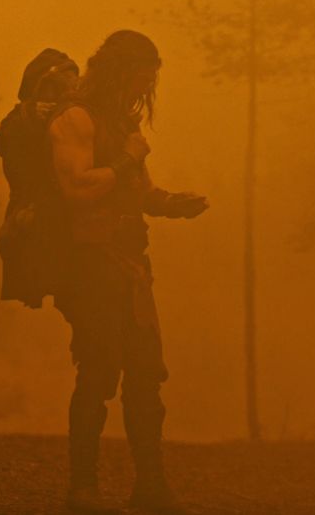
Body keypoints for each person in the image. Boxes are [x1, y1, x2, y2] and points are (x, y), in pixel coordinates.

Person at [48, 30, 208, 514]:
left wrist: (171, 204)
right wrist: (126, 159)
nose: (144, 92)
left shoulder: (119, 124)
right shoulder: (75, 119)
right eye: (140, 80)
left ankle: (151, 487)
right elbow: (76, 190)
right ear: (120, 73)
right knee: (97, 374)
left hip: (131, 267)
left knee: (144, 376)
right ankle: (83, 489)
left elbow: (134, 192)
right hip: (90, 268)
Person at [0, 49, 79, 308]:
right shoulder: (17, 123)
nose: (57, 98)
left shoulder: (72, 119)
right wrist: (28, 115)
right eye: (51, 90)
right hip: (35, 224)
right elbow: (5, 144)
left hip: (71, 226)